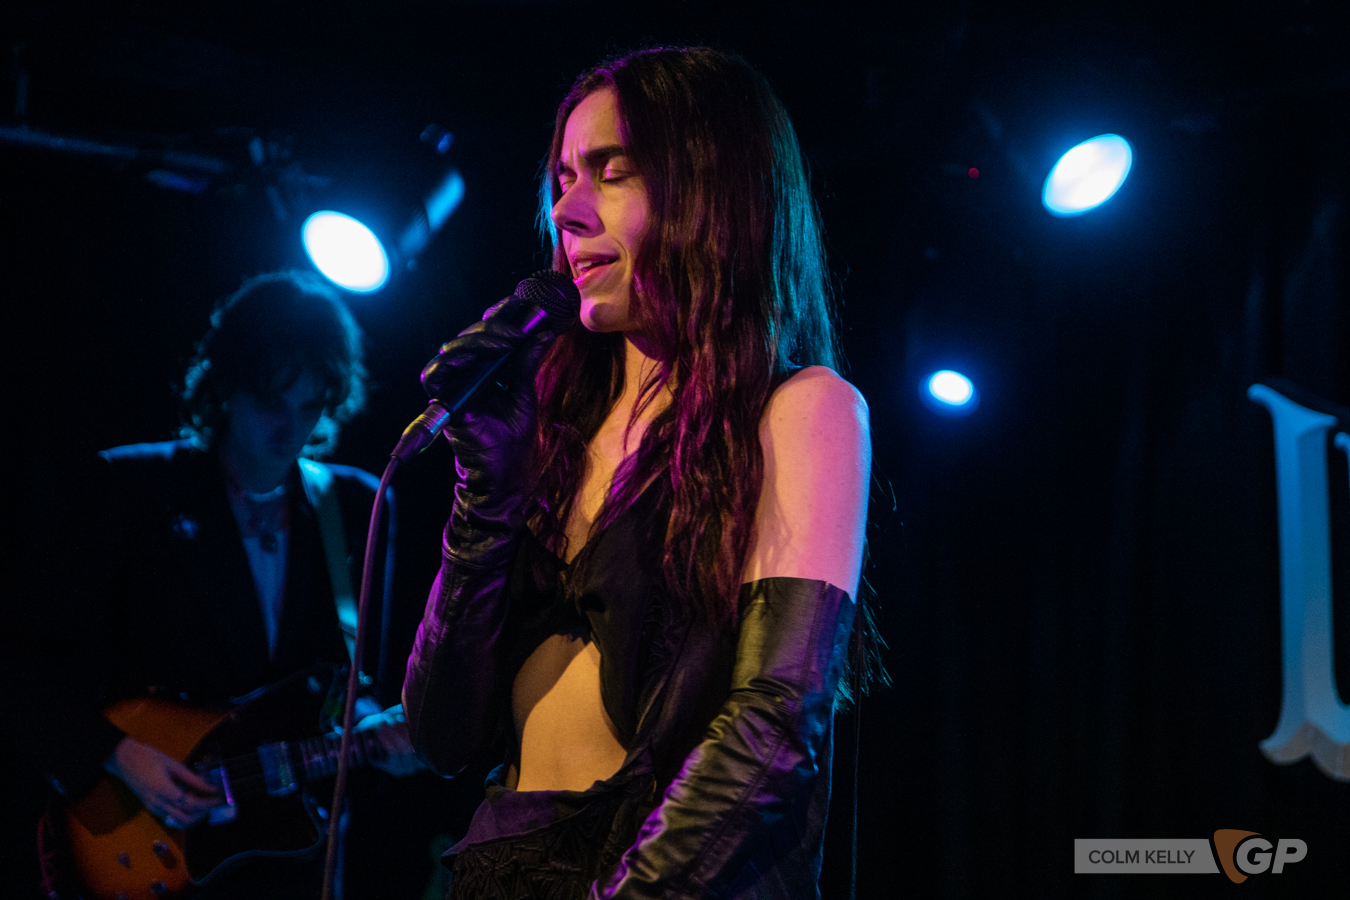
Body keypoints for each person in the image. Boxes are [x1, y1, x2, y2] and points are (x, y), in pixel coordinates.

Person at [403, 46, 871, 899]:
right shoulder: (553, 434)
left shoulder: (802, 409)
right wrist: (487, 497)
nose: (568, 210)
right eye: (561, 178)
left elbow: (774, 719)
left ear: (710, 190)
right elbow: (439, 732)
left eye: (608, 173)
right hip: (499, 862)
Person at [26, 271, 416, 899]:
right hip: (139, 832)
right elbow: (28, 653)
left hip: (289, 852)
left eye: (308, 407)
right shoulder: (131, 488)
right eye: (270, 403)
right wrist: (117, 753)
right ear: (227, 384)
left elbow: (350, 684)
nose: (289, 431)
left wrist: (382, 740)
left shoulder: (357, 504)